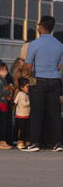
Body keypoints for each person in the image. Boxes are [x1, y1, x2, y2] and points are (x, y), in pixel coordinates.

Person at [22, 15, 63, 152]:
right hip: (55, 80)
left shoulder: (34, 44)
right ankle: (57, 143)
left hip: (38, 79)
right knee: (55, 113)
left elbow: (28, 65)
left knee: (37, 113)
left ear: (41, 26)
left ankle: (35, 143)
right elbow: (59, 67)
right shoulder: (59, 45)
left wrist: (32, 74)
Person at [14, 77, 31, 149]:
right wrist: (30, 102)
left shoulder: (21, 94)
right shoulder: (22, 95)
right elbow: (24, 104)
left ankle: (27, 141)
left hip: (24, 115)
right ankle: (20, 142)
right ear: (22, 87)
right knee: (23, 130)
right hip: (22, 116)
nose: (28, 88)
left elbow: (15, 101)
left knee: (26, 129)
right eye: (27, 87)